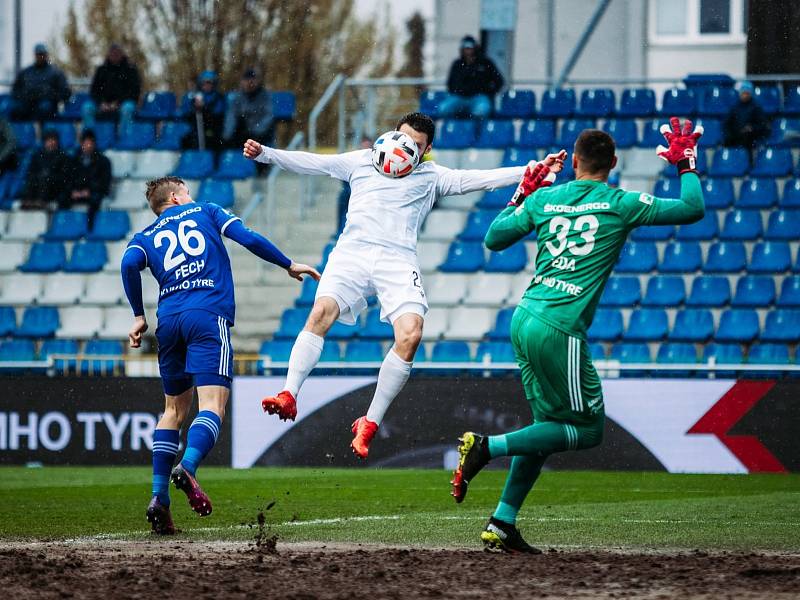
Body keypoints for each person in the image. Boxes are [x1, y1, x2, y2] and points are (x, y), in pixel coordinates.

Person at [450, 119, 705, 553]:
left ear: (576, 162)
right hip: (560, 326)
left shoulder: (547, 197)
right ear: (614, 163)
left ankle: (502, 522)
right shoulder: (621, 203)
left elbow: (493, 239)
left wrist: (523, 193)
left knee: (547, 427)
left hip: (525, 317)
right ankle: (486, 447)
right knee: (587, 430)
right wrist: (685, 165)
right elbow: (691, 208)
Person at [245, 112, 541, 459]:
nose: (402, 149)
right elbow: (314, 163)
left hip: (396, 260)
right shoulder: (362, 161)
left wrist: (529, 171)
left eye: (414, 145)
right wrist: (267, 153)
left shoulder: (432, 176)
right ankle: (289, 394)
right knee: (321, 311)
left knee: (411, 335)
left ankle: (368, 423)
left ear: (427, 149)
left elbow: (479, 179)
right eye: (400, 138)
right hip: (352, 253)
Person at [121, 176, 319, 535]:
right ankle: (189, 467)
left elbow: (127, 265)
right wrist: (287, 263)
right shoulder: (207, 211)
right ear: (178, 197)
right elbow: (248, 238)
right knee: (212, 406)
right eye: (187, 191)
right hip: (207, 316)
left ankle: (158, 499)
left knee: (172, 411)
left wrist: (138, 315)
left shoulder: (146, 237)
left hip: (169, 322)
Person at [439, 35, 504, 119]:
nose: (468, 50)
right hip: (459, 97)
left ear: (475, 48)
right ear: (462, 49)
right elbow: (450, 83)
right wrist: (459, 91)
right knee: (443, 109)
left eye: (470, 47)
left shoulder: (486, 63)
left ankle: (477, 131)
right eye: (465, 47)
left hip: (479, 97)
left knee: (481, 111)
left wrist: (488, 93)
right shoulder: (457, 64)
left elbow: (499, 81)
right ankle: (452, 129)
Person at [82, 43, 141, 133]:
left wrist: (118, 103)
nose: (114, 56)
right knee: (87, 108)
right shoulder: (101, 70)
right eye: (112, 53)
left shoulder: (130, 69)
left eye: (117, 53)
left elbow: (134, 92)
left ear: (122, 54)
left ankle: (124, 139)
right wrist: (101, 103)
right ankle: (89, 138)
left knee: (127, 109)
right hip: (103, 104)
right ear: (108, 54)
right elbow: (94, 91)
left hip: (123, 104)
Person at [64, 130, 112, 229]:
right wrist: (73, 191)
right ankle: (65, 226)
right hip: (76, 193)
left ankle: (90, 229)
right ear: (81, 144)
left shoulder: (103, 161)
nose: (88, 146)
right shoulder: (73, 161)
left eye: (90, 143)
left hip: (94, 193)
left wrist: (89, 191)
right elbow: (68, 179)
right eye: (85, 143)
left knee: (95, 200)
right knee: (62, 199)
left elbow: (104, 183)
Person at [10, 43, 71, 121]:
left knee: (44, 108)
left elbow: (65, 92)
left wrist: (49, 95)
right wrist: (26, 95)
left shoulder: (56, 73)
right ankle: (21, 131)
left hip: (48, 106)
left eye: (42, 54)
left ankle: (40, 130)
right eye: (38, 54)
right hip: (27, 104)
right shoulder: (25, 73)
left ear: (47, 55)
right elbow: (15, 91)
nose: (41, 57)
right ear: (35, 55)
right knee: (15, 108)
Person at [223, 68, 273, 150]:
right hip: (242, 134)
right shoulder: (237, 97)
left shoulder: (265, 97)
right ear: (242, 82)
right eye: (247, 80)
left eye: (252, 80)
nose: (250, 83)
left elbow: (268, 116)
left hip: (259, 135)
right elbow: (231, 117)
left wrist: (256, 132)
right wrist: (227, 135)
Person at [21, 128, 71, 209]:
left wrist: (50, 175)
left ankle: (41, 201)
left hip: (54, 187)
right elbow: (30, 172)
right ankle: (28, 200)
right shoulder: (37, 156)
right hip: (38, 185)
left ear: (57, 142)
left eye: (53, 140)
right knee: (32, 179)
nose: (50, 143)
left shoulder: (63, 157)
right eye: (48, 140)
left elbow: (64, 177)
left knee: (45, 178)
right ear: (44, 142)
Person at [179, 70, 226, 152]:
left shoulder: (219, 97)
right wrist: (194, 107)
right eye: (204, 82)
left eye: (209, 83)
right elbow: (185, 112)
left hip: (213, 128)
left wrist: (204, 108)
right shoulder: (195, 96)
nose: (207, 85)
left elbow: (218, 113)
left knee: (214, 140)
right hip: (197, 129)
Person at [723, 81, 770, 152]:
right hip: (736, 137)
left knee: (748, 139)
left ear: (750, 94)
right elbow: (727, 124)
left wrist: (752, 128)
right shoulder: (735, 107)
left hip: (750, 138)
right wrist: (733, 133)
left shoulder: (756, 107)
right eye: (743, 93)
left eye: (747, 93)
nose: (745, 95)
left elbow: (762, 125)